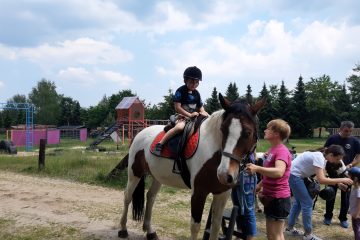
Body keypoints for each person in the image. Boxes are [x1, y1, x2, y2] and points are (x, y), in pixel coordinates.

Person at [285, 145, 353, 240]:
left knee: (299, 203)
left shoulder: (321, 157)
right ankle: (308, 235)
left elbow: (321, 176)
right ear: (331, 155)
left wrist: (338, 184)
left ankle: (289, 229)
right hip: (295, 176)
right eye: (337, 159)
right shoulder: (319, 158)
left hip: (294, 175)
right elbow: (321, 180)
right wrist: (342, 179)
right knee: (307, 203)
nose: (337, 162)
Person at [246, 119, 292, 240]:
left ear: (276, 133)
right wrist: (259, 185)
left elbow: (279, 172)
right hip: (271, 197)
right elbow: (269, 174)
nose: (265, 130)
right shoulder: (272, 150)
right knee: (271, 235)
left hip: (279, 199)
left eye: (268, 128)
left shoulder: (281, 151)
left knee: (276, 235)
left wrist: (257, 168)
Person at [154, 66, 209, 155]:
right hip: (182, 116)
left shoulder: (197, 93)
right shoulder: (180, 91)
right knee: (180, 127)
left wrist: (203, 112)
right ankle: (160, 144)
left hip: (194, 117)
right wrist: (189, 115)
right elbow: (178, 108)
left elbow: (200, 106)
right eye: (191, 82)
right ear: (185, 81)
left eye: (196, 82)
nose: (194, 84)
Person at [323, 121, 360, 228]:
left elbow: (358, 156)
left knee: (346, 197)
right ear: (340, 129)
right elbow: (325, 152)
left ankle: (343, 218)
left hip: (346, 173)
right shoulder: (332, 138)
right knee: (330, 194)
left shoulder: (355, 141)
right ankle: (328, 216)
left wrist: (351, 164)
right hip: (332, 172)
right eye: (346, 131)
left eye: (350, 131)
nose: (348, 133)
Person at [231, 153, 257, 239]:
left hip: (246, 182)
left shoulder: (247, 146)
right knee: (237, 210)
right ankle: (239, 234)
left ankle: (250, 237)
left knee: (248, 211)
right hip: (236, 182)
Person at [348, 167, 360, 240]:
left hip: (357, 214)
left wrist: (357, 213)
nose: (348, 178)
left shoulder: (359, 189)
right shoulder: (356, 187)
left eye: (349, 177)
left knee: (357, 228)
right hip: (355, 212)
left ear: (355, 179)